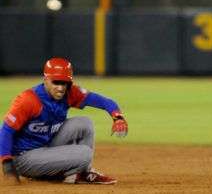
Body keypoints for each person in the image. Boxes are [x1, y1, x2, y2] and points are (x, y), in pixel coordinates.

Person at [0, 57, 128, 185]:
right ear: (45, 80)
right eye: (56, 82)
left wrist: (118, 117)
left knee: (84, 123)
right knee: (84, 154)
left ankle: (82, 173)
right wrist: (7, 164)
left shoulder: (70, 93)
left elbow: (102, 101)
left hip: (46, 145)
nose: (61, 88)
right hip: (23, 157)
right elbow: (6, 130)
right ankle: (71, 173)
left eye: (65, 83)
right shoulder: (29, 100)